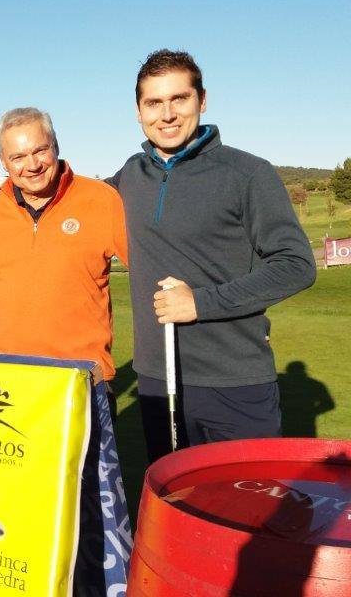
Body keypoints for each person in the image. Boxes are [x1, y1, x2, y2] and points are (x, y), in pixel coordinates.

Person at [107, 50, 316, 462]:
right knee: (177, 513)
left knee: (248, 514)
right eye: (153, 103)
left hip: (235, 381)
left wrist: (199, 304)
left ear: (202, 101)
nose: (166, 114)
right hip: (156, 379)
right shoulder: (129, 176)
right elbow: (72, 204)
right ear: (138, 111)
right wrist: (4, 194)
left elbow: (296, 265)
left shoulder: (248, 173)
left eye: (179, 99)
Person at [0, 108, 128, 386]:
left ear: (56, 146)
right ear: (3, 162)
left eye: (40, 150)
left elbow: (150, 269)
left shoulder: (102, 199)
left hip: (85, 378)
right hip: (11, 378)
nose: (32, 165)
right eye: (17, 157)